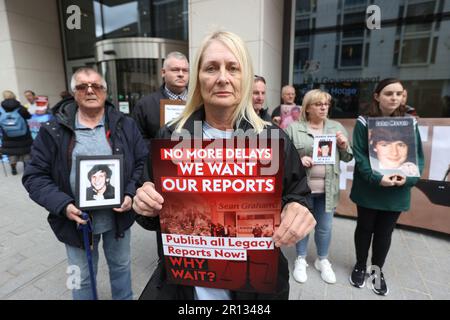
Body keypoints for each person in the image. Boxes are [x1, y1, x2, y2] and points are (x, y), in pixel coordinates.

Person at [132, 31, 316, 300]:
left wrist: (298, 209)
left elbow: (298, 195)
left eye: (233, 68)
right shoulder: (170, 137)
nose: (222, 78)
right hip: (185, 287)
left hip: (254, 290)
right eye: (211, 68)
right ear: (198, 78)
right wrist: (144, 203)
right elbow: (151, 216)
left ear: (246, 77)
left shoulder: (271, 138)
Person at [22, 68, 148, 300]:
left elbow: (141, 161)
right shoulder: (53, 130)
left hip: (118, 219)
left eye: (96, 86)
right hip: (76, 222)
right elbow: (34, 176)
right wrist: (63, 205)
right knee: (80, 277)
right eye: (82, 86)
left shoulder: (125, 125)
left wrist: (130, 192)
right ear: (73, 93)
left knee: (121, 268)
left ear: (105, 91)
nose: (90, 90)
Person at [349, 78, 424, 296]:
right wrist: (375, 177)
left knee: (384, 233)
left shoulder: (410, 122)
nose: (393, 98)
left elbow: (417, 156)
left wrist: (408, 179)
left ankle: (376, 270)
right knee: (364, 228)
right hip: (370, 188)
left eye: (398, 94)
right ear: (377, 96)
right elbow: (361, 155)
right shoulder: (364, 121)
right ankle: (360, 265)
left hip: (397, 191)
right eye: (388, 93)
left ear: (403, 96)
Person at [285, 89, 353, 284]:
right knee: (302, 226)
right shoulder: (293, 128)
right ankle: (301, 259)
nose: (324, 107)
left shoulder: (335, 127)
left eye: (326, 104)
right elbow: (284, 157)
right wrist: (299, 159)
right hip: (302, 190)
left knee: (325, 227)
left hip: (326, 190)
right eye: (318, 104)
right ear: (307, 108)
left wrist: (343, 145)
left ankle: (322, 260)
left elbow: (349, 157)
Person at [132, 51, 189, 143]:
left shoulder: (200, 103)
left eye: (185, 70)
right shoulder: (144, 105)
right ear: (163, 72)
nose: (181, 74)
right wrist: (158, 149)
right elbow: (137, 140)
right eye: (175, 70)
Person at [0, 90, 33, 175]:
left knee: (11, 152)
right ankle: (26, 167)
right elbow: (28, 116)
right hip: (23, 134)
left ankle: (13, 168)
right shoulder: (21, 108)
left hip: (8, 135)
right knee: (25, 151)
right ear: (14, 96)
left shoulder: (1, 109)